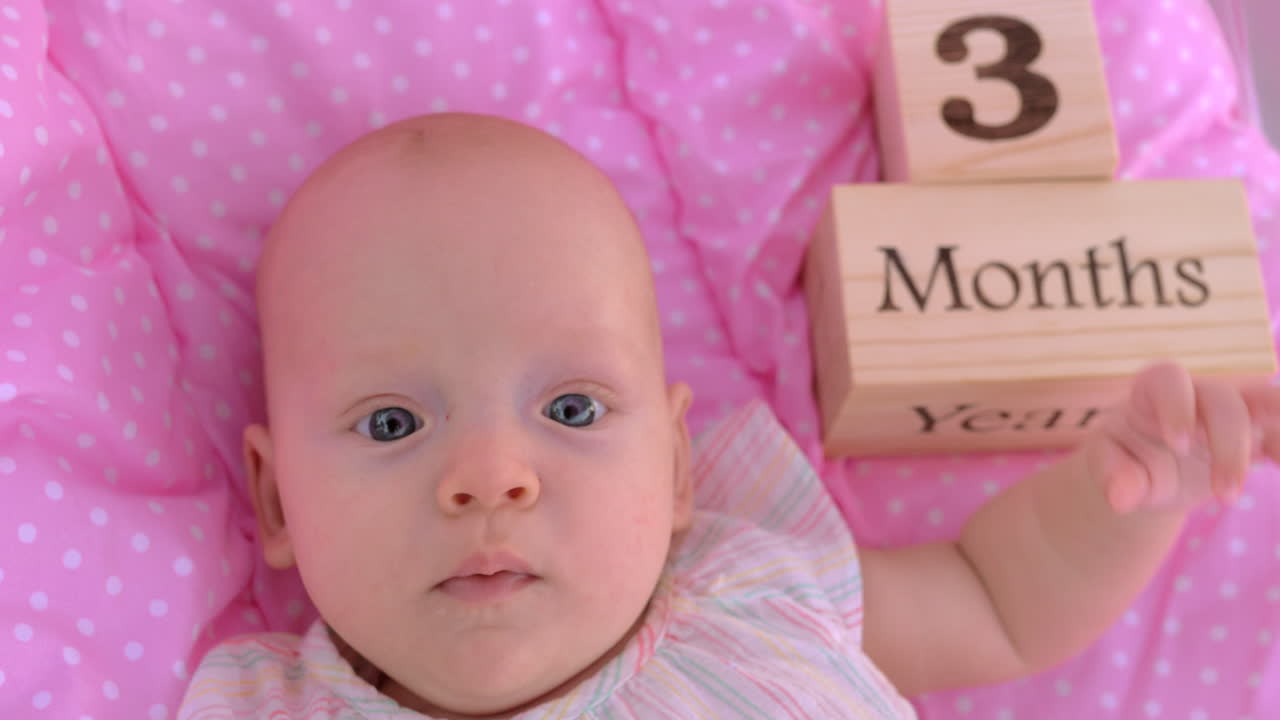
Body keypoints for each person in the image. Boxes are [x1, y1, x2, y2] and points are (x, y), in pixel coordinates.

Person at [178, 113, 1280, 719]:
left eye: (568, 407)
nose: (488, 476)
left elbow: (995, 602)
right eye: (388, 426)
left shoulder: (750, 591)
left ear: (673, 465)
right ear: (277, 501)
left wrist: (1125, 496)